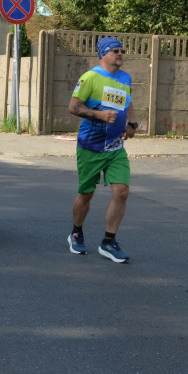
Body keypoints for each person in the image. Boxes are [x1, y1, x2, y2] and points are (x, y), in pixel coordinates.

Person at [67, 36, 137, 263]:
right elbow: (73, 106)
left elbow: (129, 102)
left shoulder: (125, 78)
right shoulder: (90, 77)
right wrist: (99, 115)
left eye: (121, 50)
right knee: (86, 194)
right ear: (103, 54)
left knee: (122, 191)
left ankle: (109, 241)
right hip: (91, 146)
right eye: (115, 51)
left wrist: (132, 123)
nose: (120, 54)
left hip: (116, 146)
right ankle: (76, 231)